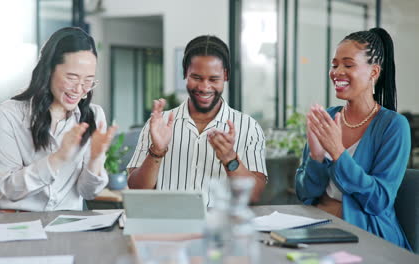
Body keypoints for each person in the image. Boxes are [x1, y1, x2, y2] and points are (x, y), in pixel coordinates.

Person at [295, 28, 411, 250]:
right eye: (334, 64)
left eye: (348, 65)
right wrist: (316, 157)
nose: (337, 71)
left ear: (373, 72)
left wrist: (338, 153)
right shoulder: (328, 116)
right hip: (318, 225)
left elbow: (379, 200)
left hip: (365, 234)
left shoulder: (394, 126)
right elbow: (305, 192)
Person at [127, 35, 267, 206]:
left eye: (213, 79)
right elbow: (136, 190)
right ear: (185, 73)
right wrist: (156, 151)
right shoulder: (159, 124)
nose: (204, 87)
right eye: (197, 78)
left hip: (219, 227)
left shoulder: (249, 127)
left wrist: (230, 159)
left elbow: (255, 196)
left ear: (226, 75)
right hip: (166, 226)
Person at [0, 27, 117, 212]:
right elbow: (9, 190)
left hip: (67, 227)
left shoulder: (93, 116)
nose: (79, 89)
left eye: (88, 81)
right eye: (72, 78)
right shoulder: (10, 113)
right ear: (48, 70)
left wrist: (95, 160)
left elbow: (88, 192)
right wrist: (58, 158)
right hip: (17, 222)